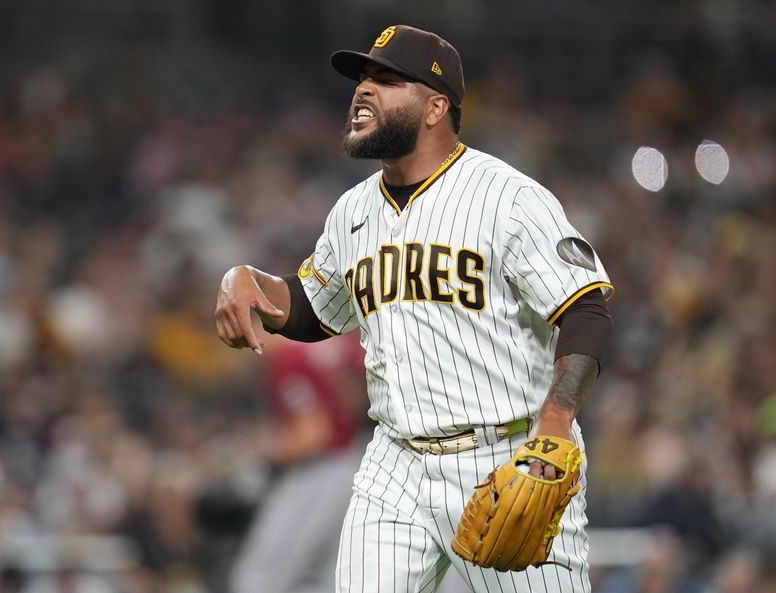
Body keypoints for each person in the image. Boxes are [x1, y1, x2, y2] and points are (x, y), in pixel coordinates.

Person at [216, 24, 613, 593]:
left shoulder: (506, 196)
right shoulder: (352, 211)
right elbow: (312, 308)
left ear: (435, 108)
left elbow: (587, 310)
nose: (363, 90)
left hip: (507, 451)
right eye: (362, 79)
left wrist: (555, 423)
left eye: (386, 80)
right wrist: (246, 278)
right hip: (394, 461)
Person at [228, 332, 368, 593]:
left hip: (319, 474)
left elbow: (315, 434)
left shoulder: (291, 361)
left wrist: (264, 450)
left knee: (258, 579)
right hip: (350, 465)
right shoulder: (323, 348)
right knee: (324, 578)